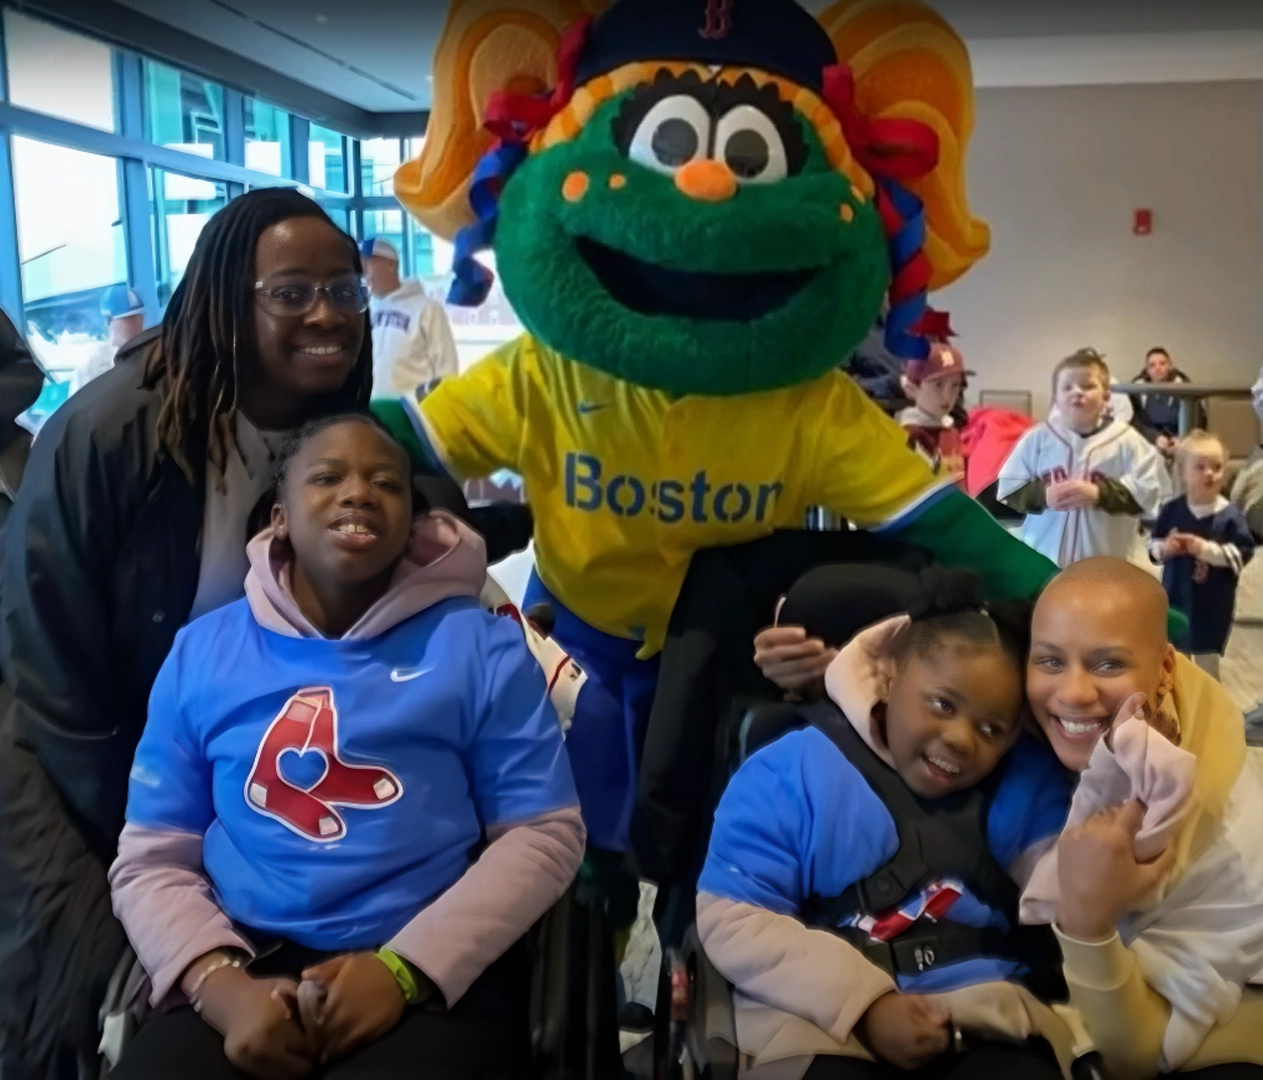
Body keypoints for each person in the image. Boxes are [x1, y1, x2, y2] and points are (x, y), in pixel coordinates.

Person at [0, 188, 376, 1077]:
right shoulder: (114, 429)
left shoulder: (340, 432)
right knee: (97, 982)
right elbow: (49, 668)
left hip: (243, 761)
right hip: (72, 754)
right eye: (290, 292)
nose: (326, 313)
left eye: (345, 290)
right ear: (224, 298)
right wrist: (155, 824)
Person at [108, 413, 582, 1079]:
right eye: (327, 478)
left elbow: (544, 831)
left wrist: (404, 971)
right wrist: (219, 987)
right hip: (241, 956)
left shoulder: (481, 648)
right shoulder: (202, 653)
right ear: (279, 517)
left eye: (384, 483)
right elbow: (152, 860)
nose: (358, 493)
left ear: (412, 522)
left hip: (425, 962)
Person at [699, 570, 1076, 1079]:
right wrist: (867, 1004)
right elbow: (733, 915)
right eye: (943, 704)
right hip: (816, 1005)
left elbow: (1066, 883)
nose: (963, 740)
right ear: (891, 676)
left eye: (991, 728)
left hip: (979, 1003)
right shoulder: (790, 773)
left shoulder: (1020, 784)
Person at [1023, 557, 1263, 1076]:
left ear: (1166, 668)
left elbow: (1139, 1053)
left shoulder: (1221, 833)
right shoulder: (1024, 729)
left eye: (1108, 664)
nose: (1073, 693)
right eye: (1049, 661)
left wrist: (1087, 920)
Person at [997, 348, 1169, 566]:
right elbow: (1008, 489)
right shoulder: (1037, 439)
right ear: (1055, 399)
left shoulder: (1128, 441)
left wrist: (1100, 494)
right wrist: (1042, 495)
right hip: (1042, 560)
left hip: (1104, 563)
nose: (1077, 392)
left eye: (1087, 386)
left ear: (1106, 397)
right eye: (1067, 387)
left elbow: (1151, 494)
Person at [1150, 431, 1255, 679]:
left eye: (1217, 467)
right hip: (1176, 594)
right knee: (1175, 658)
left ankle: (1210, 711)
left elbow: (1242, 553)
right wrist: (1165, 548)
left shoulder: (1229, 515)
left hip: (1212, 602)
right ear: (1183, 473)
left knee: (1207, 664)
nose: (1209, 473)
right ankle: (1178, 708)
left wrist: (1204, 550)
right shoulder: (1172, 510)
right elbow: (1153, 545)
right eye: (1200, 467)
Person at [360, 238, 459, 400]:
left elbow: (447, 366)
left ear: (390, 265)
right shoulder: (364, 310)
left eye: (367, 265)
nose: (363, 273)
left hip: (412, 413)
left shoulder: (427, 308)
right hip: (371, 411)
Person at [897, 341, 971, 484]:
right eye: (938, 384)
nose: (947, 395)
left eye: (955, 385)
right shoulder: (910, 434)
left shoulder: (950, 429)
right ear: (911, 388)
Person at [69, 285, 148, 395]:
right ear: (108, 321)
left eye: (138, 317)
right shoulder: (92, 364)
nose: (136, 324)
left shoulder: (150, 356)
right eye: (128, 319)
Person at [1129, 346, 1200, 459]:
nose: (1157, 368)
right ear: (1147, 370)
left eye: (1162, 363)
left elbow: (1198, 419)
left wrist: (1182, 438)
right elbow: (1134, 421)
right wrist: (1154, 437)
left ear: (1170, 366)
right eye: (1152, 365)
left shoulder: (1185, 387)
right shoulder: (1137, 390)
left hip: (1180, 442)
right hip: (1149, 444)